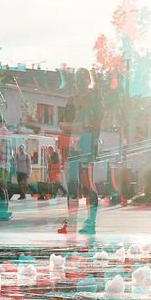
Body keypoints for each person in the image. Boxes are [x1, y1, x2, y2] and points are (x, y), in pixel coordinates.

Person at [58, 68, 104, 235]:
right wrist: (73, 126)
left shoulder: (94, 97)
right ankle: (72, 222)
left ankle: (91, 222)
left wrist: (93, 140)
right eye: (77, 80)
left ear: (87, 80)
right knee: (72, 184)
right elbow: (62, 123)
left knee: (88, 183)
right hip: (75, 142)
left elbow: (98, 120)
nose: (79, 83)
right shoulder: (73, 99)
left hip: (87, 141)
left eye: (82, 79)